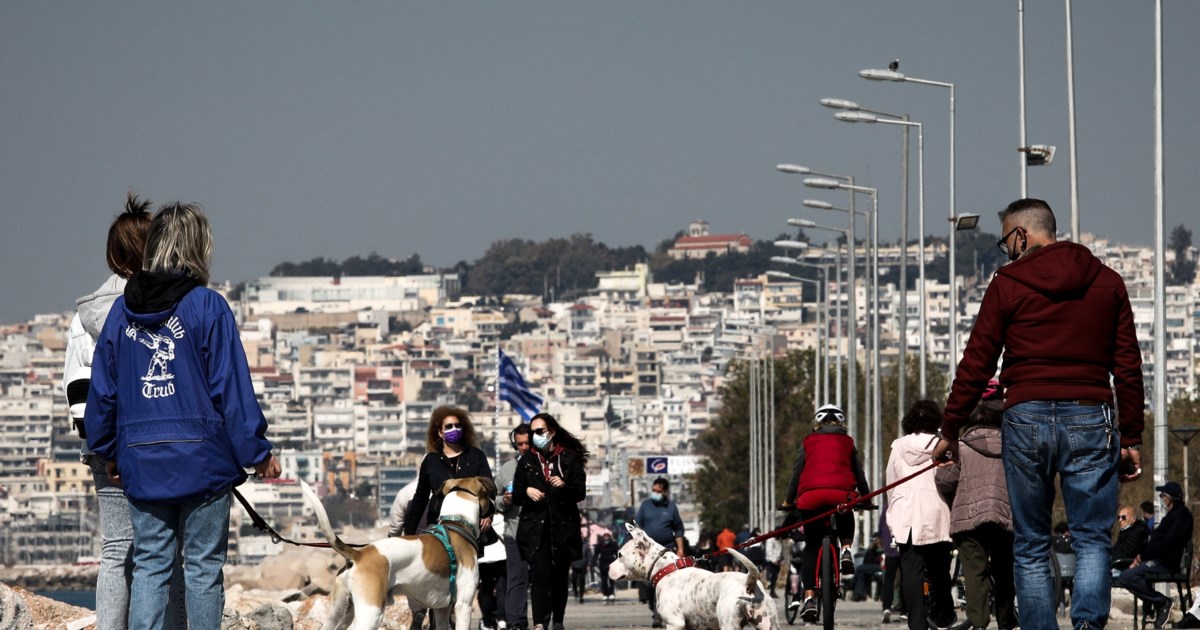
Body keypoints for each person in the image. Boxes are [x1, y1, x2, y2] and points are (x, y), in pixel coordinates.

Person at [933, 198, 1145, 630]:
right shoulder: (1108, 283)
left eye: (1006, 240)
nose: (1006, 250)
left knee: (1029, 541)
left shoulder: (1007, 284)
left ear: (1022, 235)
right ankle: (1087, 625)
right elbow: (1127, 366)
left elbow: (977, 363)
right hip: (1090, 414)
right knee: (1091, 538)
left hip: (1025, 415)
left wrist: (951, 429)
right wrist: (1131, 437)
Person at [84, 202, 282, 630]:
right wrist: (258, 451)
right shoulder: (208, 308)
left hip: (141, 458)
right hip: (202, 461)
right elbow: (231, 389)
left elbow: (103, 391)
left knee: (151, 566)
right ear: (197, 249)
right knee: (203, 569)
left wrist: (106, 449)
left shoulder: (120, 313)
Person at [64, 193, 185, 630]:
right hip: (156, 440)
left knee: (117, 548)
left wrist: (99, 442)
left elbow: (77, 388)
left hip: (103, 444)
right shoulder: (169, 307)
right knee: (168, 548)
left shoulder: (83, 316)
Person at [933, 385, 1016, 630]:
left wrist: (941, 463)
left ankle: (979, 623)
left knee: (974, 571)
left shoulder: (963, 446)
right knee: (1004, 572)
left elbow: (944, 480)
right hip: (1004, 516)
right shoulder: (1013, 445)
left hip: (968, 519)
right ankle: (1006, 621)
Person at [403, 406, 493, 630]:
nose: (454, 430)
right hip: (439, 531)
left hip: (468, 532)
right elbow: (420, 497)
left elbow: (489, 490)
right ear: (440, 432)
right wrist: (408, 533)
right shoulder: (431, 461)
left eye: (457, 425)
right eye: (448, 427)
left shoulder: (476, 456)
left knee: (464, 589)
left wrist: (489, 513)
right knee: (439, 591)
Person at [784, 403, 870, 623]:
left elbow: (796, 473)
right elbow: (858, 474)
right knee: (846, 511)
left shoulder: (807, 442)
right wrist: (866, 498)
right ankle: (846, 551)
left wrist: (788, 500)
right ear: (841, 423)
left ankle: (809, 598)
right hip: (842, 495)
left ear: (817, 423)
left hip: (809, 496)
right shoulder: (847, 442)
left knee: (811, 547)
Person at [511, 413, 589, 630]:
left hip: (562, 528)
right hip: (536, 529)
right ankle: (538, 623)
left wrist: (564, 486)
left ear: (551, 431)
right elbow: (515, 494)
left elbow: (580, 492)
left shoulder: (568, 458)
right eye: (532, 432)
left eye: (539, 431)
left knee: (559, 578)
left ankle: (558, 621)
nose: (535, 436)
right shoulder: (527, 461)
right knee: (539, 576)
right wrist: (527, 491)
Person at [887, 399, 954, 630]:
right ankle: (944, 612)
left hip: (906, 515)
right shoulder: (943, 445)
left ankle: (916, 622)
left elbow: (891, 483)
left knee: (911, 571)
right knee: (940, 570)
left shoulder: (898, 446)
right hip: (937, 513)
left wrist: (891, 516)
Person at [1117, 481, 1194, 629]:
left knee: (1127, 577)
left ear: (1170, 498)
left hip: (1166, 563)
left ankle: (1161, 602)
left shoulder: (1181, 516)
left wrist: (1142, 557)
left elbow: (1166, 543)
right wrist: (1142, 556)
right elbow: (1157, 542)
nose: (1161, 497)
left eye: (1163, 495)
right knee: (1126, 576)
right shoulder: (1172, 516)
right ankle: (1157, 605)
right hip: (1159, 560)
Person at [634, 476, 686, 627]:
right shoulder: (645, 506)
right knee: (649, 585)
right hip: (648, 552)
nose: (655, 493)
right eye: (653, 490)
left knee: (663, 584)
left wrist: (681, 549)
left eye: (658, 491)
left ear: (665, 492)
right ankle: (653, 608)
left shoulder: (671, 508)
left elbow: (678, 529)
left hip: (666, 551)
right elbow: (637, 527)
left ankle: (660, 615)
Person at [495, 423, 532, 630]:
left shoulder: (544, 466)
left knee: (543, 581)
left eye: (527, 443)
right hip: (514, 532)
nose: (524, 447)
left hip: (540, 533)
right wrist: (505, 502)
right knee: (516, 579)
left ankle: (544, 621)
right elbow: (493, 499)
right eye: (520, 444)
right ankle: (516, 622)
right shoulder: (507, 470)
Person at [477, 518, 508, 630]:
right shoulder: (501, 513)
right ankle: (501, 619)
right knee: (501, 587)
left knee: (486, 587)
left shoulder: (480, 515)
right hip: (502, 554)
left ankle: (487, 622)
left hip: (484, 556)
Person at [1112, 504, 1150, 569]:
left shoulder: (1137, 532)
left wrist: (1107, 558)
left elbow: (1126, 553)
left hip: (1125, 566)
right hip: (1117, 564)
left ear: (1133, 519)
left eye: (1123, 517)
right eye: (1118, 517)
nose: (1120, 520)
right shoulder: (1125, 531)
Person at [851, 537, 883, 603]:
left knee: (859, 568)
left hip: (876, 567)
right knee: (861, 575)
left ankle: (852, 583)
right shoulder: (870, 549)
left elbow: (879, 551)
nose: (873, 541)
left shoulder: (878, 548)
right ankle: (859, 595)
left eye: (874, 540)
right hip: (868, 568)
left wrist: (875, 545)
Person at [593, 531, 619, 603]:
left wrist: (618, 562)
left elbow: (617, 554)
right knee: (604, 580)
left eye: (607, 536)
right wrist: (593, 562)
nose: (606, 538)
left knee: (611, 580)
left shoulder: (613, 544)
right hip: (603, 564)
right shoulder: (599, 545)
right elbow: (596, 554)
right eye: (605, 536)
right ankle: (605, 594)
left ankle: (611, 593)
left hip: (611, 564)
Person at [763, 533, 782, 599]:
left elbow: (779, 550)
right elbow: (769, 551)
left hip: (777, 560)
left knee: (775, 577)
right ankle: (772, 591)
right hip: (771, 561)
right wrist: (773, 560)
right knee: (772, 576)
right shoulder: (770, 540)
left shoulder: (779, 539)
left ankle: (772, 590)